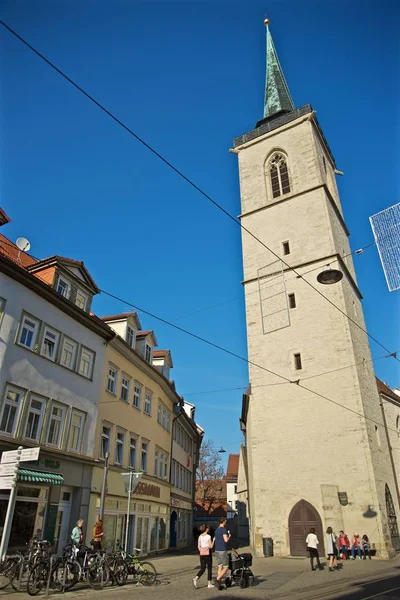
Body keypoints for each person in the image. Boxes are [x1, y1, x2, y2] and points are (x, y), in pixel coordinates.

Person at [192, 525, 215, 589]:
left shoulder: (200, 537)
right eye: (207, 528)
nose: (208, 529)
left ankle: (195, 578)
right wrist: (213, 540)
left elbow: (198, 546)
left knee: (202, 569)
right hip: (208, 554)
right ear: (206, 529)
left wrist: (201, 551)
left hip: (202, 554)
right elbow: (211, 546)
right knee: (209, 568)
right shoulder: (208, 536)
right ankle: (209, 583)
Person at [214, 517, 231, 590]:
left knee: (220, 567)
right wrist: (229, 536)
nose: (226, 522)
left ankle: (219, 584)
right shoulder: (224, 530)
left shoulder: (216, 530)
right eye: (225, 521)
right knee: (226, 567)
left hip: (216, 550)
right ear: (223, 522)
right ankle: (217, 579)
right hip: (222, 550)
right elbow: (226, 540)